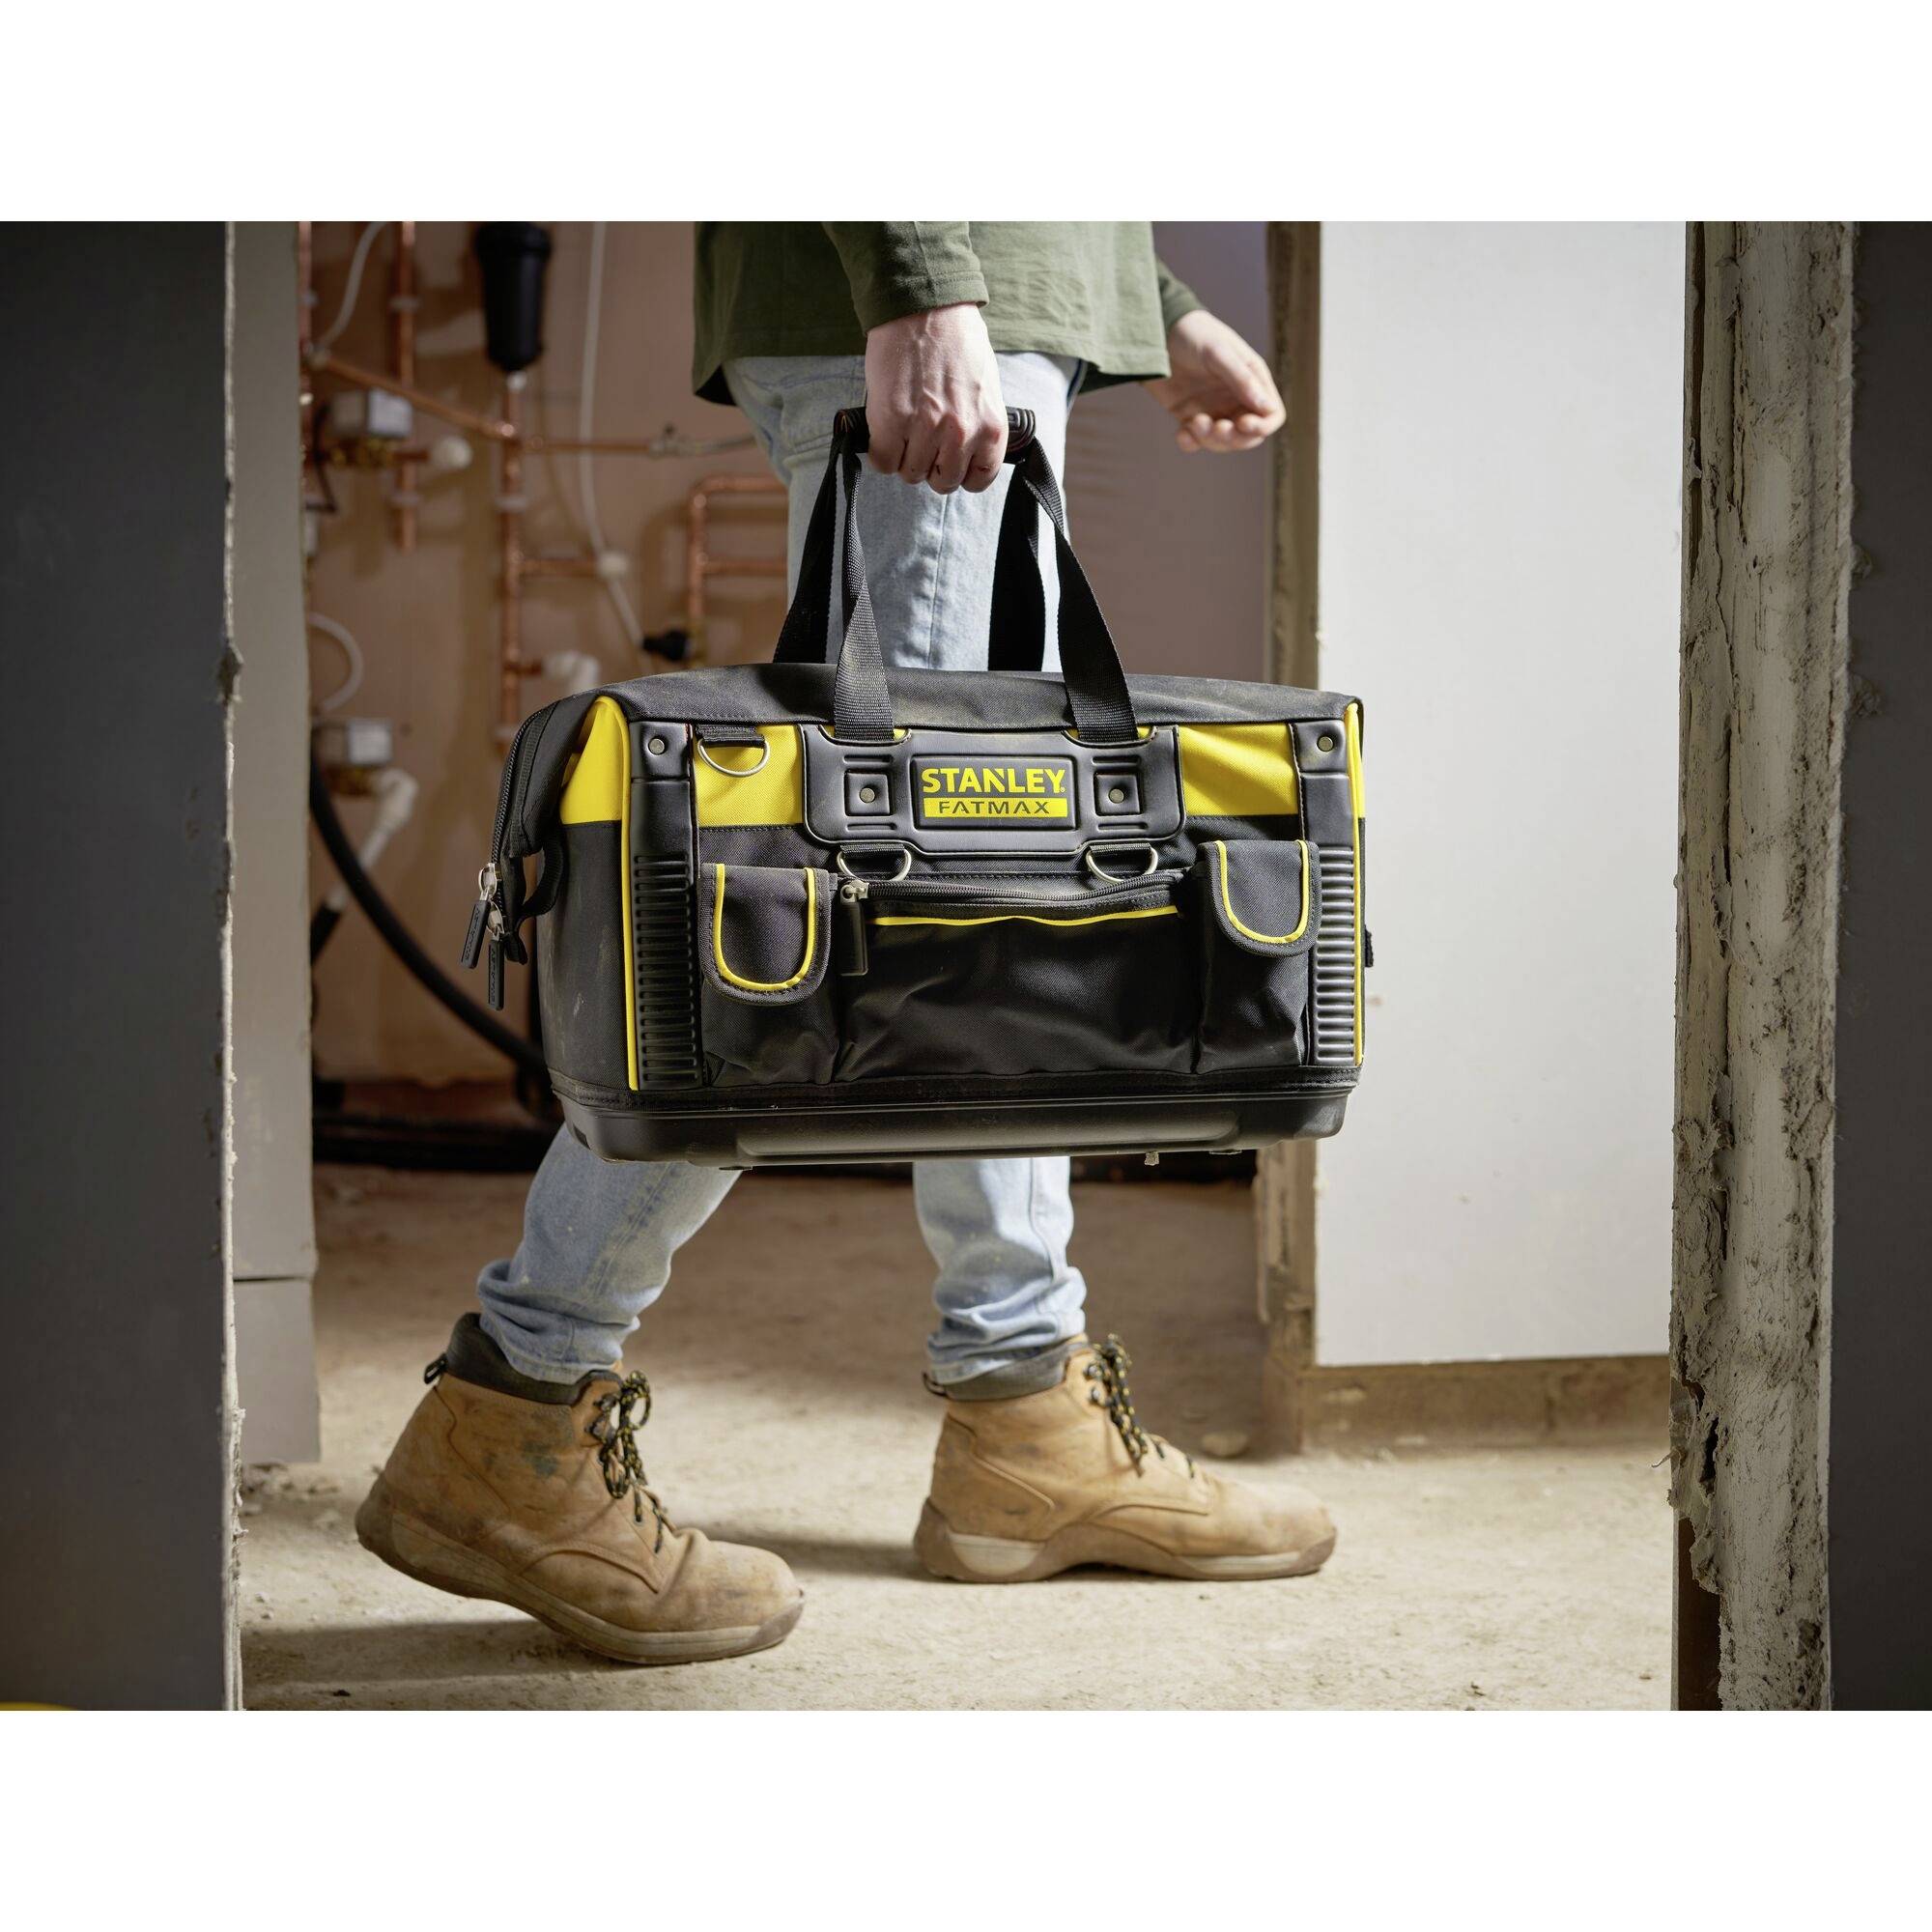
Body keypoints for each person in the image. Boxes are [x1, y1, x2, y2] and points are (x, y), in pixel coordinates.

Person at [355, 223, 1337, 1665]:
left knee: (981, 907)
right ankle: (515, 1406)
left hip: (1008, 298)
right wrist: (921, 281)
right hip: (940, 285)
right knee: (857, 909)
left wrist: (1155, 300)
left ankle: (1025, 1417)